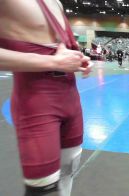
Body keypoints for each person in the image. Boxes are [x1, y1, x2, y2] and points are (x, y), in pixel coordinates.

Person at [0, 0, 91, 195]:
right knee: (44, 190)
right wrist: (53, 61)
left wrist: (75, 58)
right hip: (37, 106)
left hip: (71, 101)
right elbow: (52, 58)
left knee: (67, 178)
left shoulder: (56, 2)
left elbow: (55, 48)